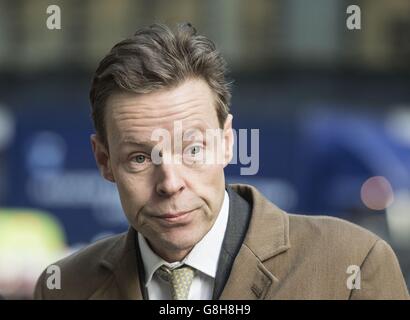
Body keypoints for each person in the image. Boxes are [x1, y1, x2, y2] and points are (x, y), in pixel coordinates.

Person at [33, 23, 409, 300]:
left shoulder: (353, 264)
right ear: (104, 161)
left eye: (193, 150)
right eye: (140, 157)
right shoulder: (64, 287)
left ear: (227, 143)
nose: (170, 183)